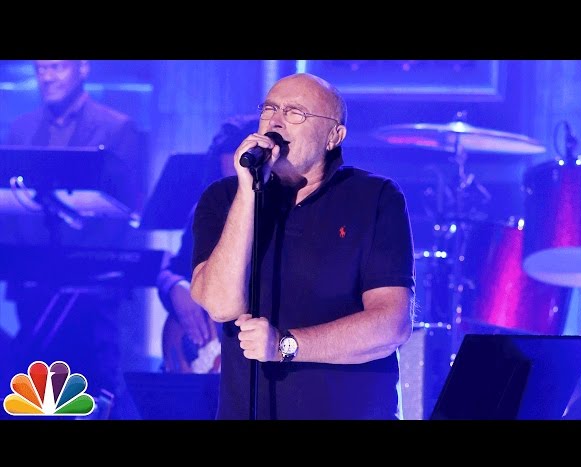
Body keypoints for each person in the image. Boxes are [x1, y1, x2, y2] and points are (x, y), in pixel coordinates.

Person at [190, 72, 416, 420]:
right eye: (269, 109)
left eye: (295, 113)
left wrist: (285, 345)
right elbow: (221, 306)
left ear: (333, 136)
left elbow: (392, 325)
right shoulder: (224, 198)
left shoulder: (374, 197)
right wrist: (248, 192)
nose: (276, 121)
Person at [0, 60, 146, 419]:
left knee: (92, 384)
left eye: (56, 67)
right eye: (41, 68)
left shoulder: (117, 128)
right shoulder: (20, 129)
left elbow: (126, 210)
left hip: (94, 287)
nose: (47, 76)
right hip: (33, 282)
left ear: (82, 68)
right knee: (37, 386)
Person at [156, 114, 259, 375]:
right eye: (226, 183)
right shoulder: (208, 212)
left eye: (243, 182)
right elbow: (174, 271)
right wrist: (176, 287)